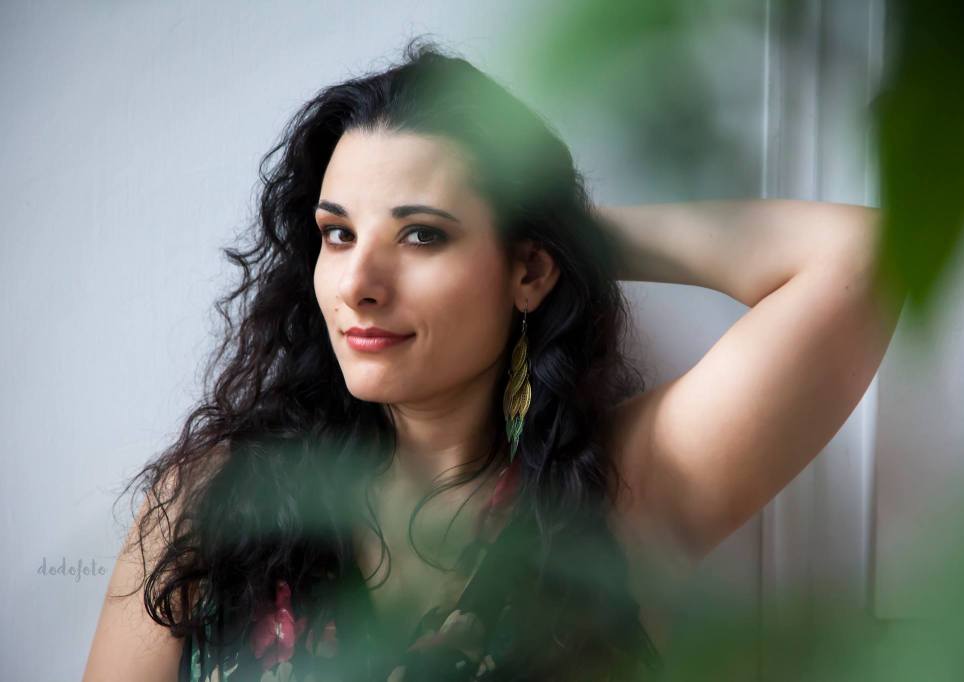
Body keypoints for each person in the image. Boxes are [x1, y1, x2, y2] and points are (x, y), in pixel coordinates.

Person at [83, 36, 901, 682]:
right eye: (337, 233)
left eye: (421, 234)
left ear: (529, 271)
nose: (358, 284)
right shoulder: (212, 499)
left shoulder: (620, 497)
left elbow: (865, 261)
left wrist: (564, 232)